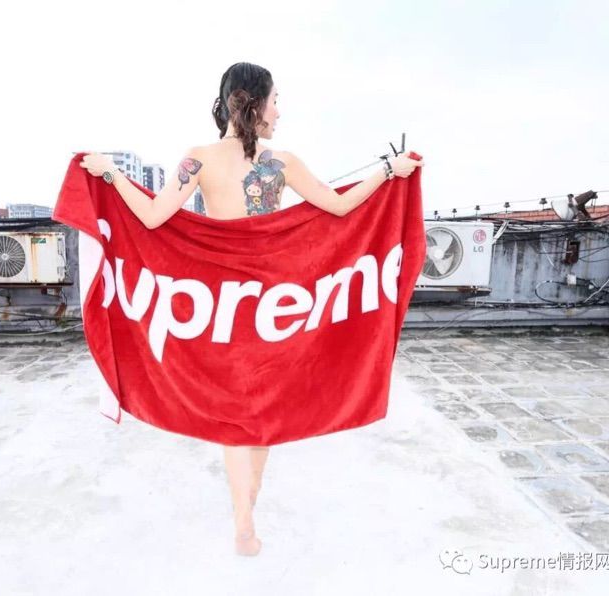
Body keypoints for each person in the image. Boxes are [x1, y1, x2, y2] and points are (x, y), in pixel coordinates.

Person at [79, 61, 424, 556]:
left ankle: (244, 512)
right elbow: (340, 206)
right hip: (273, 305)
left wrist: (110, 174)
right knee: (261, 409)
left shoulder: (199, 158)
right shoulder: (282, 161)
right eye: (276, 101)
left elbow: (152, 216)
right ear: (254, 102)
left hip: (224, 305)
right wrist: (388, 172)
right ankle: (248, 507)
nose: (280, 112)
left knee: (236, 413)